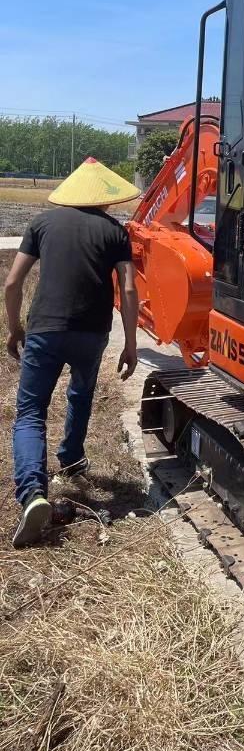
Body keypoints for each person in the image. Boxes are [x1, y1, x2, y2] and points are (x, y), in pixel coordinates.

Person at [4, 157, 141, 548]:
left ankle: (33, 494)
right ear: (104, 197)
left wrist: (14, 329)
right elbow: (129, 289)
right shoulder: (115, 231)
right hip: (92, 332)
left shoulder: (42, 223)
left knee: (31, 412)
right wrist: (131, 343)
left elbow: (12, 283)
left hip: (45, 329)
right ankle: (71, 459)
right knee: (80, 393)